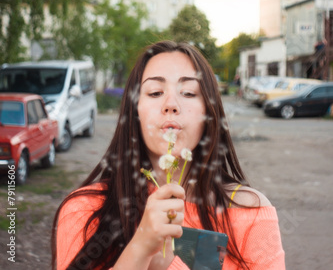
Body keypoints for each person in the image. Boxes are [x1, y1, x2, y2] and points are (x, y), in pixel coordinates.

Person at [52, 41, 285, 270]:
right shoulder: (86, 209)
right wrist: (140, 249)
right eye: (155, 92)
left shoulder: (249, 212)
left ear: (209, 112)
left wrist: (168, 262)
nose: (171, 104)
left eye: (188, 92)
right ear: (134, 111)